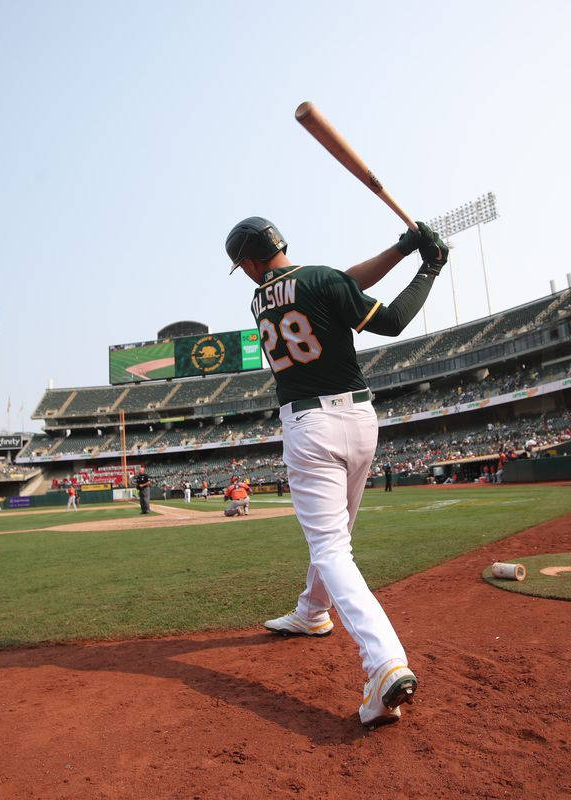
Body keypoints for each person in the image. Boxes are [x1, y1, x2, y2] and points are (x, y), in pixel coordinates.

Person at [228, 214, 446, 728]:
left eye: (244, 263)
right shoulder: (322, 278)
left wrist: (402, 248)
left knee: (330, 546)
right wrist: (427, 267)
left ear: (254, 259)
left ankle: (384, 661)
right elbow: (374, 307)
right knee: (336, 538)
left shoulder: (263, 296)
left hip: (310, 425)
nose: (246, 272)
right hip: (361, 420)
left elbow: (342, 282)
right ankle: (312, 612)